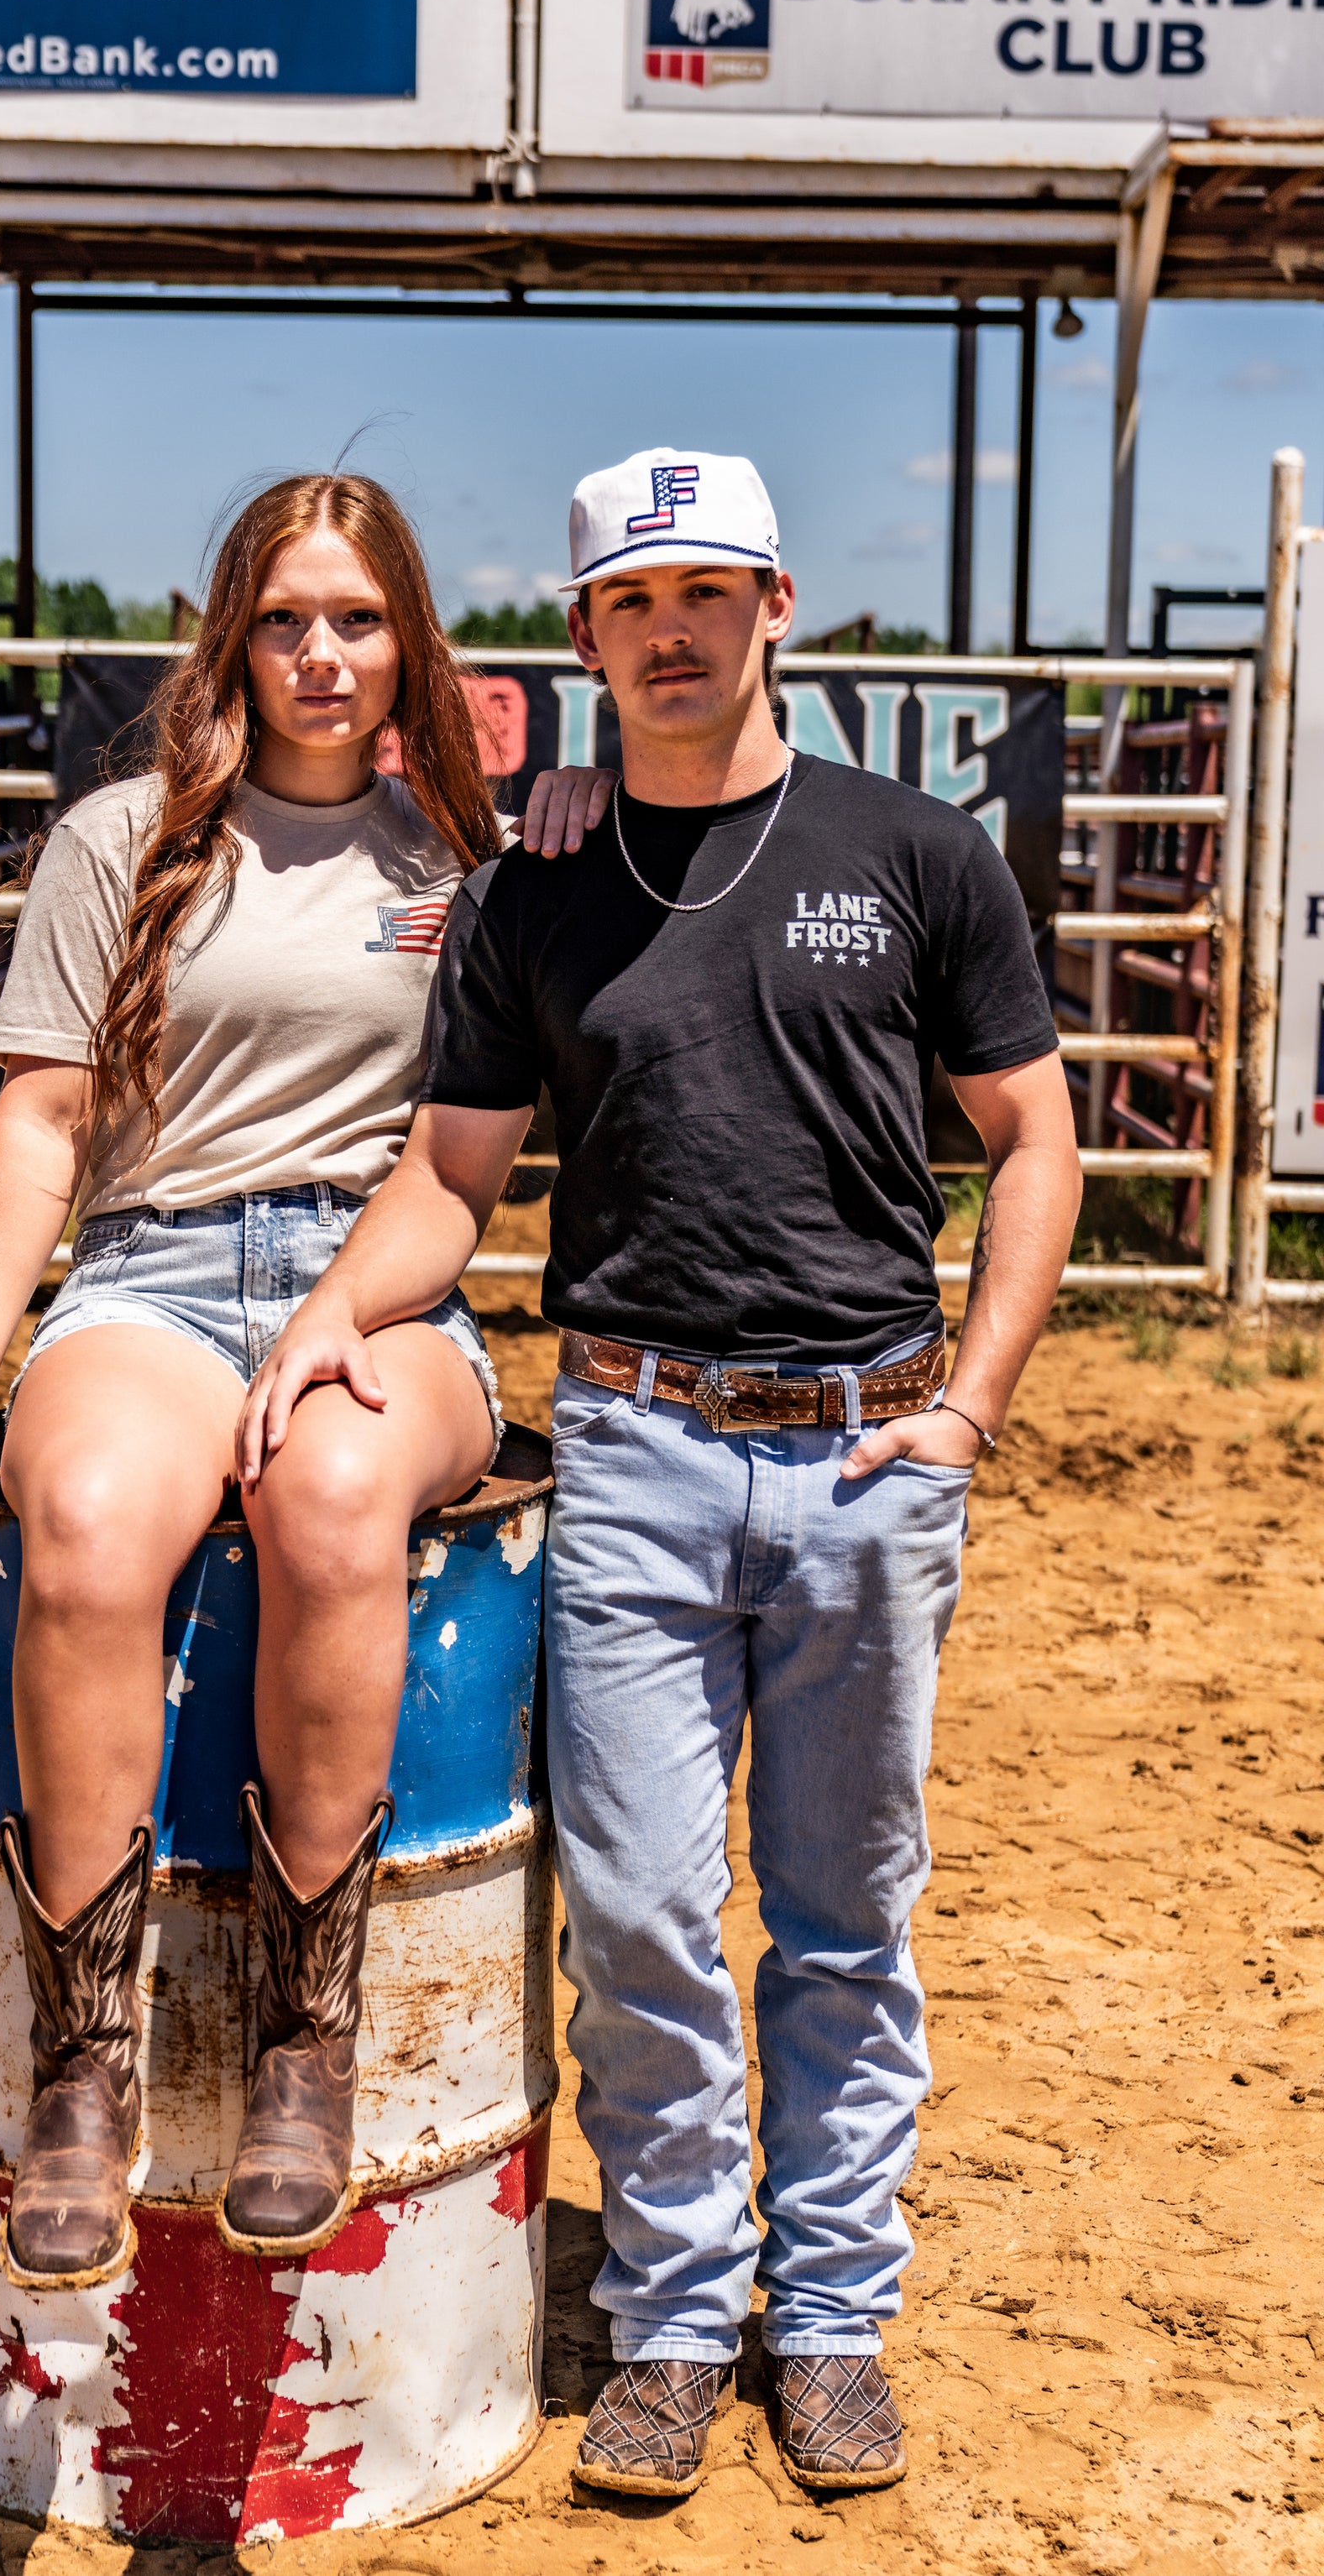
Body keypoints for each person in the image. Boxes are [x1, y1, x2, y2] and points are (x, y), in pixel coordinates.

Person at [237, 447, 1082, 2495]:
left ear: (777, 606)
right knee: (630, 1909)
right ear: (589, 633)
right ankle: (680, 2309)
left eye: (708, 591)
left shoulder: (916, 854)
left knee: (846, 1913)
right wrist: (337, 1308)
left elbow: (1032, 1141)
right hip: (628, 1441)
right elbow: (453, 1174)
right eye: (633, 601)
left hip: (869, 1451)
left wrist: (965, 1407)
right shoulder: (541, 885)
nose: (674, 630)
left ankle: (836, 2315)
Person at [0, 473, 600, 2286]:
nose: (320, 652)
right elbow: (43, 1127)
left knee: (339, 1495)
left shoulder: (471, 867)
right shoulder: (118, 840)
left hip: (381, 1284)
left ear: (409, 644)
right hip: (154, 1267)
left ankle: (307, 2041)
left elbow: (472, 1159)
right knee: (92, 1526)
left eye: (357, 619)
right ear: (234, 636)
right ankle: (83, 2068)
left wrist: (584, 847)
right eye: (284, 616)